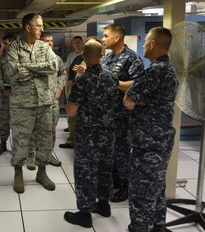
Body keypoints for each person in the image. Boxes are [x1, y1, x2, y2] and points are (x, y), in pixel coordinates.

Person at [124, 27, 178, 232]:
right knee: (156, 186)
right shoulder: (169, 68)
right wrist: (144, 100)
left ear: (153, 44)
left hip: (148, 141)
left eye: (146, 41)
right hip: (163, 138)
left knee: (141, 190)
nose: (144, 45)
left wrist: (140, 100)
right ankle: (158, 226)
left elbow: (128, 100)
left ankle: (139, 227)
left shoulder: (155, 70)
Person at [64, 39, 120, 228]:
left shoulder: (83, 81)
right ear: (102, 56)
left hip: (89, 135)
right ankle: (103, 205)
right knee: (105, 169)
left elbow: (71, 111)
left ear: (84, 57)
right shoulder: (112, 78)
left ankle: (85, 213)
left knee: (85, 172)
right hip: (109, 134)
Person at [7, 13, 58, 193]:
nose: (42, 29)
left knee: (45, 140)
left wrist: (28, 67)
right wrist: (39, 70)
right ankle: (18, 173)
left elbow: (54, 66)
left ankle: (41, 172)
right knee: (21, 140)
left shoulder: (45, 47)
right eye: (39, 26)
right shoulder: (14, 48)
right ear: (28, 28)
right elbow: (13, 74)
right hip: (22, 105)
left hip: (44, 102)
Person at [101, 24, 144, 202]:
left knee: (123, 151)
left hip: (123, 115)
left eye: (105, 36)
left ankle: (126, 186)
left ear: (117, 38)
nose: (103, 39)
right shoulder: (108, 58)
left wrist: (114, 82)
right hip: (106, 114)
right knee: (109, 150)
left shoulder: (131, 59)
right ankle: (115, 181)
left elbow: (137, 84)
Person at [27, 32, 65, 167]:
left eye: (51, 41)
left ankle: (48, 155)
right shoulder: (31, 58)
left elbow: (62, 73)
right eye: (47, 41)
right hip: (36, 101)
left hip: (52, 102)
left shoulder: (57, 59)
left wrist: (59, 88)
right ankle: (31, 156)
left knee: (50, 129)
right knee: (33, 129)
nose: (50, 43)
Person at [0, 33, 16, 155]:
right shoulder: (2, 59)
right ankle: (2, 143)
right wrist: (4, 89)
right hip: (5, 94)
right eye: (3, 44)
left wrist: (16, 89)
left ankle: (18, 147)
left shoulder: (22, 58)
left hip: (19, 95)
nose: (4, 46)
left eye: (6, 44)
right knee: (4, 119)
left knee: (19, 121)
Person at [62, 36, 84, 134]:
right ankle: (70, 125)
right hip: (71, 81)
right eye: (74, 43)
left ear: (82, 43)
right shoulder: (71, 55)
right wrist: (67, 80)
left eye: (78, 42)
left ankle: (77, 126)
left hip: (81, 83)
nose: (76, 44)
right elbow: (67, 68)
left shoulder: (85, 54)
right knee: (70, 102)